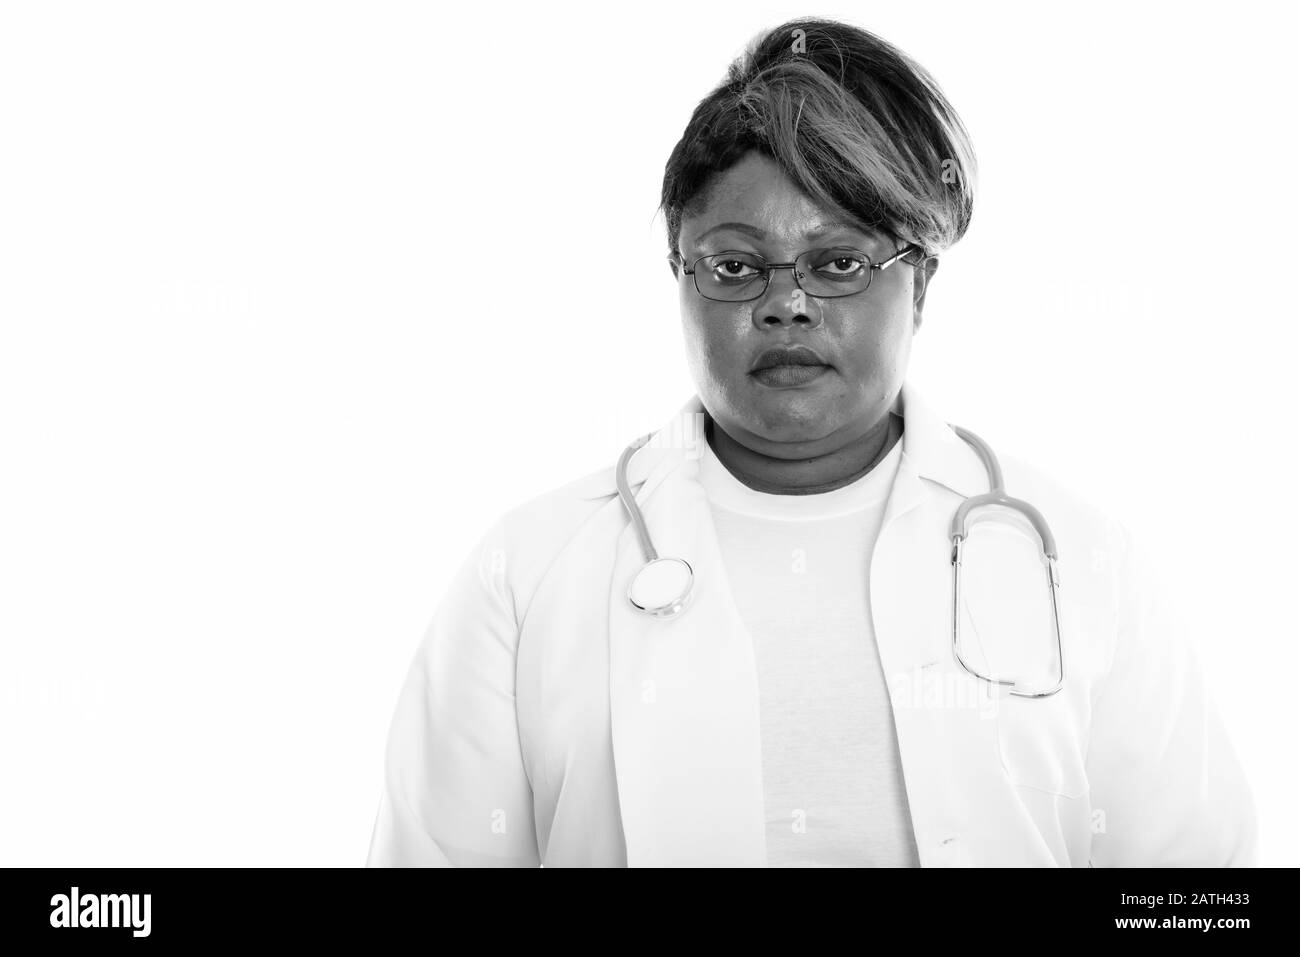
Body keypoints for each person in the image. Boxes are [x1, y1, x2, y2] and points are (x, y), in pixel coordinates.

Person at [365, 16, 1256, 867]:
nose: (785, 302)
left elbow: (1199, 891)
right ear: (680, 274)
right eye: (735, 264)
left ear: (921, 284)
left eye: (838, 262)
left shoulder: (1079, 562)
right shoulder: (528, 575)